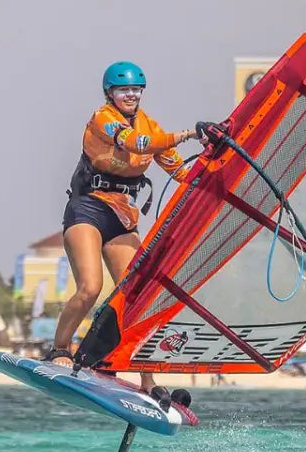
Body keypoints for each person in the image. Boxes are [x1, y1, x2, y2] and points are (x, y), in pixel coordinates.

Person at [46, 60, 203, 404]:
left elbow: (181, 172)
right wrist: (189, 133)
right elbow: (140, 144)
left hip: (123, 216)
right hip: (88, 208)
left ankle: (146, 378)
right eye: (123, 90)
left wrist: (219, 156)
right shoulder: (103, 118)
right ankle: (59, 348)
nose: (131, 95)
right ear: (110, 93)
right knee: (90, 287)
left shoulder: (151, 123)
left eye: (136, 90)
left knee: (138, 295)